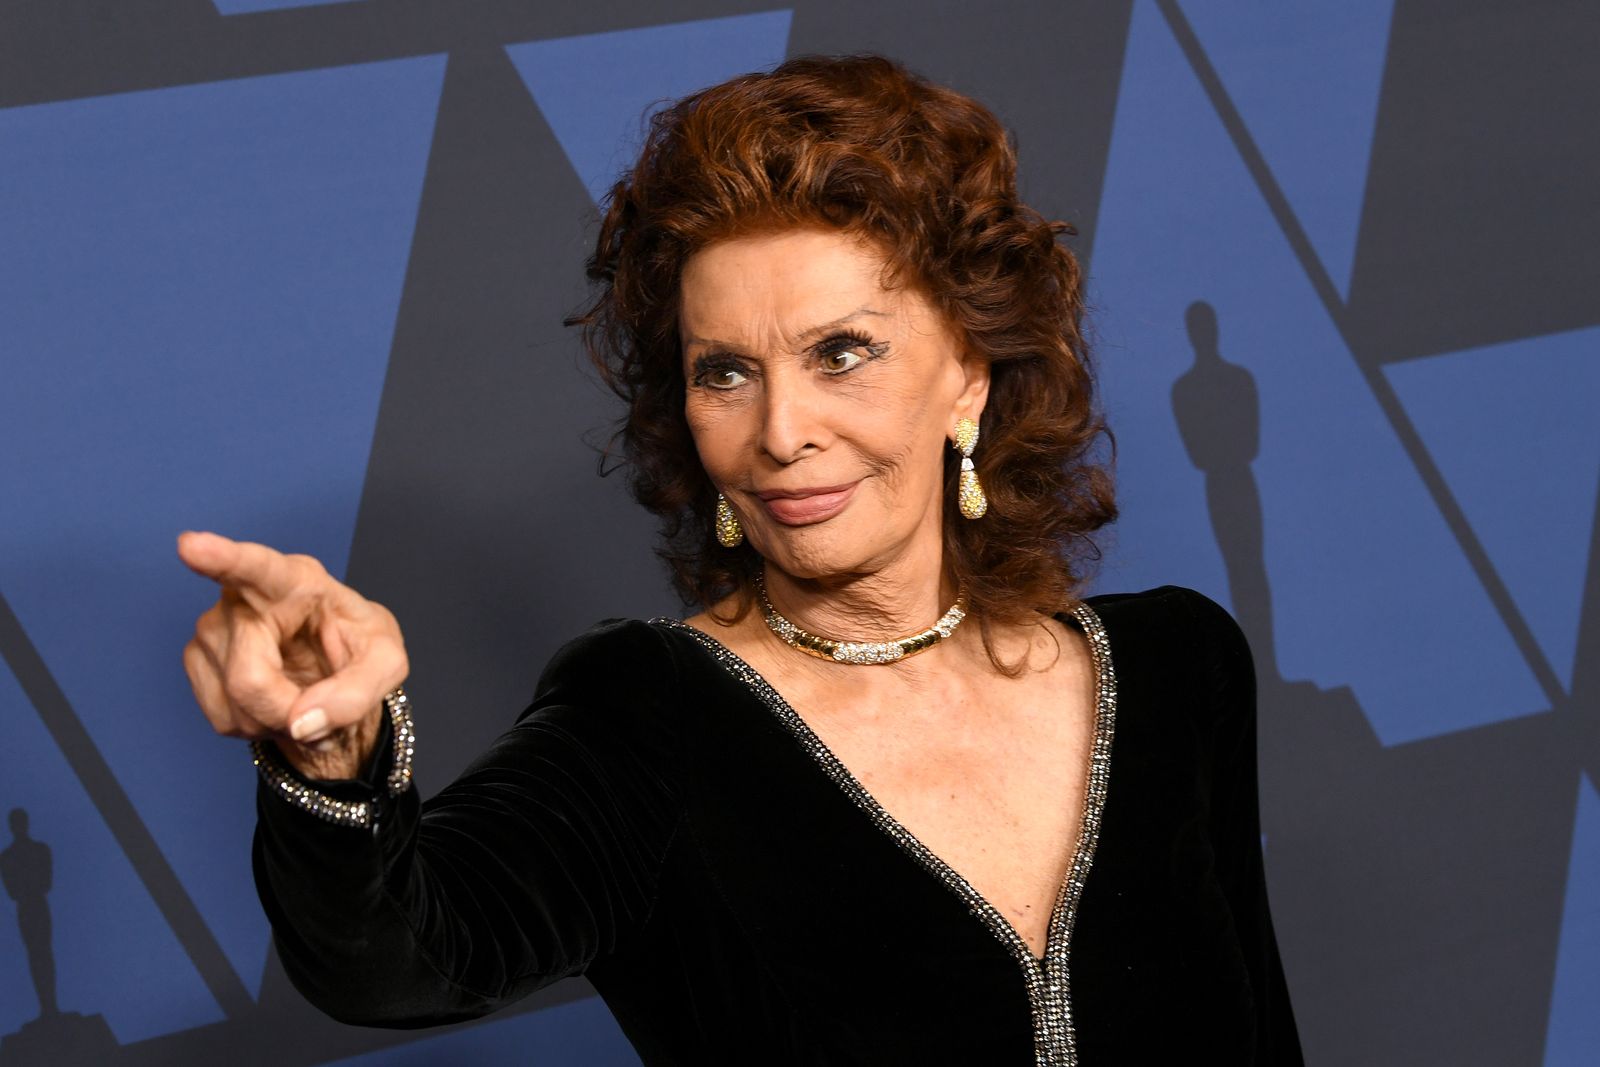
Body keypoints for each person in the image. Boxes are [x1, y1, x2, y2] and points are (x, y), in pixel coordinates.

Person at [177, 53, 1303, 1065]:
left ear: (969, 374)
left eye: (842, 351)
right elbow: (404, 956)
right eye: (724, 371)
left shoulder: (1175, 668)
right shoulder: (651, 715)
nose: (777, 430)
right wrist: (331, 754)